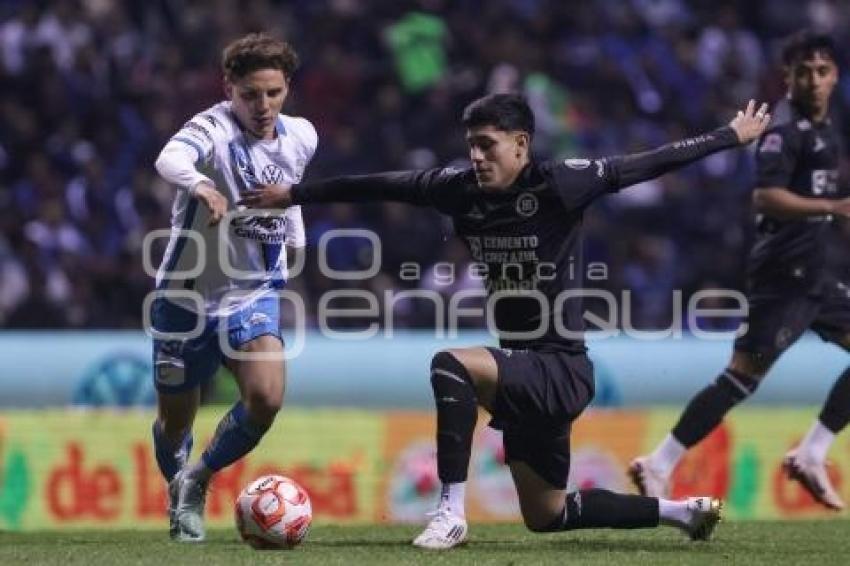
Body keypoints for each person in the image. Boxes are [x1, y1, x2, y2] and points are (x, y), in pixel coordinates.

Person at [239, 92, 769, 548]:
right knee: (547, 514)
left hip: (560, 367)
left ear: (521, 143)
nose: (476, 156)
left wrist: (729, 135)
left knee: (451, 364)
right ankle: (682, 513)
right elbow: (377, 184)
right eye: (471, 145)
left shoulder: (561, 182)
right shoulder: (459, 188)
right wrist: (294, 194)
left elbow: (646, 162)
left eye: (487, 145)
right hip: (525, 370)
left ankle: (449, 513)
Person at [630, 30, 850, 510]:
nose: (814, 79)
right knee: (741, 378)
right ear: (787, 77)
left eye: (823, 70)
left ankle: (812, 452)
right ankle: (659, 463)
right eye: (803, 71)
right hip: (781, 277)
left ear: (834, 76)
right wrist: (834, 205)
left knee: (743, 379)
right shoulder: (782, 134)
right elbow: (765, 197)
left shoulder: (829, 135)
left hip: (814, 275)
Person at [150, 33, 317, 542]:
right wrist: (200, 184)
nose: (262, 105)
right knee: (176, 421)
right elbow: (168, 158)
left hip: (251, 293)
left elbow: (291, 193)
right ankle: (177, 485)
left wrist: (294, 241)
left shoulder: (303, 135)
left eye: (272, 92)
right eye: (249, 94)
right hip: (184, 298)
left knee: (266, 397)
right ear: (230, 89)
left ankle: (198, 480)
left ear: (287, 86)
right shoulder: (211, 127)